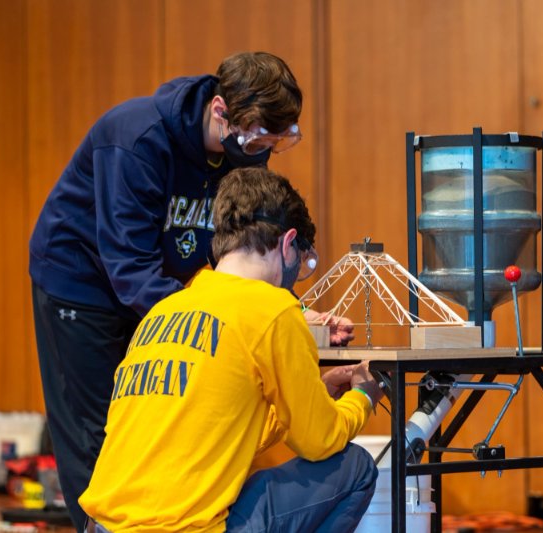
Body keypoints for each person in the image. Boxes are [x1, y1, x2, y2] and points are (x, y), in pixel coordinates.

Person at [28, 51, 352, 529]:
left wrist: (288, 311)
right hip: (82, 283)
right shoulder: (136, 140)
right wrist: (239, 316)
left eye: (277, 141)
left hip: (161, 283)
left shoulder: (244, 146)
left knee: (164, 419)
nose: (263, 150)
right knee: (97, 434)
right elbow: (129, 268)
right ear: (220, 111)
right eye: (259, 136)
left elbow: (239, 256)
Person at [78, 166, 382, 532]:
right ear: (287, 245)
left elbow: (215, 429)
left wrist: (319, 398)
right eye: (302, 262)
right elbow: (318, 442)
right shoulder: (274, 309)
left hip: (101, 525)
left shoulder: (166, 309)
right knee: (356, 466)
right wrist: (362, 397)